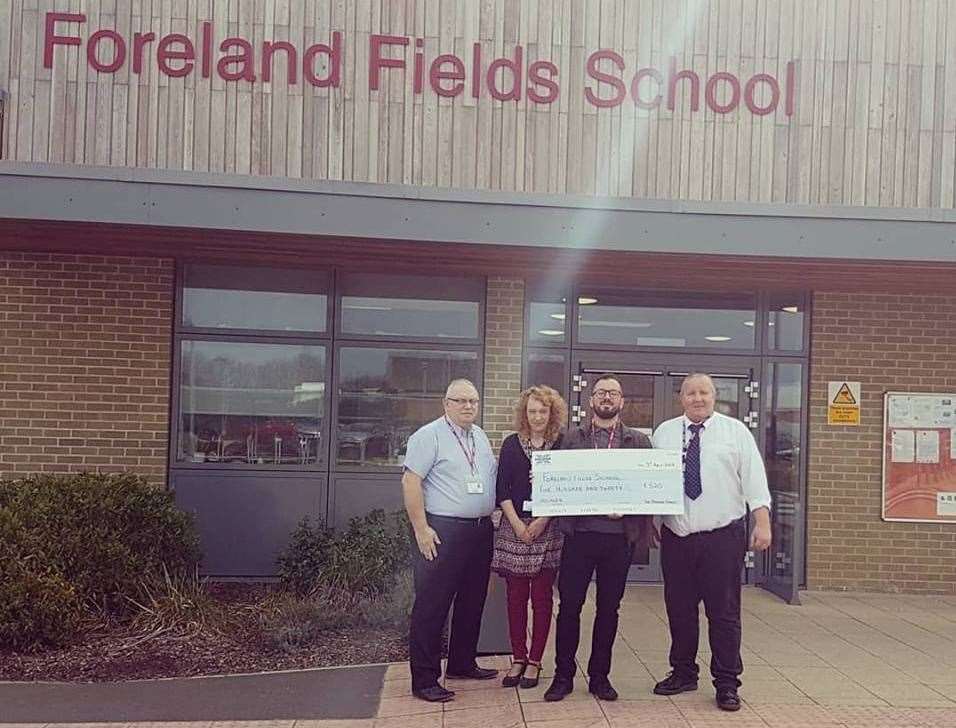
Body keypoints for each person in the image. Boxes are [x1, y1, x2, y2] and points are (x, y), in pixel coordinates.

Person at [651, 373, 772, 712]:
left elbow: (754, 479)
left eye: (704, 392)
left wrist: (762, 521)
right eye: (691, 393)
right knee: (679, 610)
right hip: (678, 537)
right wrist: (652, 520)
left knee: (724, 613)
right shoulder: (664, 433)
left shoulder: (735, 432)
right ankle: (684, 672)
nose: (698, 398)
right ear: (681, 398)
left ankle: (727, 682)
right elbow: (651, 480)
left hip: (722, 538)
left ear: (714, 396)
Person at [544, 374, 652, 703]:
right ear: (591, 400)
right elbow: (555, 481)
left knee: (609, 609)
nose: (607, 398)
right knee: (569, 608)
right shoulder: (570, 438)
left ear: (622, 402)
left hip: (619, 540)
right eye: (601, 393)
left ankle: (600, 677)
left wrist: (629, 508)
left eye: (613, 394)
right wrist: (544, 476)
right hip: (579, 537)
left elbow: (648, 488)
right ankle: (563, 677)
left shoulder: (638, 442)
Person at [402, 378, 499, 703]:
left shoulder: (480, 436)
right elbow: (411, 481)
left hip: (480, 530)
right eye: (460, 401)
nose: (468, 406)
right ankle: (425, 679)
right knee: (433, 604)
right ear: (446, 404)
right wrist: (421, 528)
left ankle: (461, 662)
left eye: (473, 401)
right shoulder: (429, 436)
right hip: (443, 531)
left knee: (472, 600)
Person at [492, 385, 568, 690]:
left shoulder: (562, 444)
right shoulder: (511, 444)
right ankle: (518, 658)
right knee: (515, 598)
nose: (537, 416)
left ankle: (535, 661)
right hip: (514, 528)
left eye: (543, 410)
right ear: (525, 413)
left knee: (542, 599)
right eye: (532, 410)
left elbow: (565, 488)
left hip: (548, 527)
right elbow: (502, 490)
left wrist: (540, 522)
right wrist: (518, 524)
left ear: (552, 413)